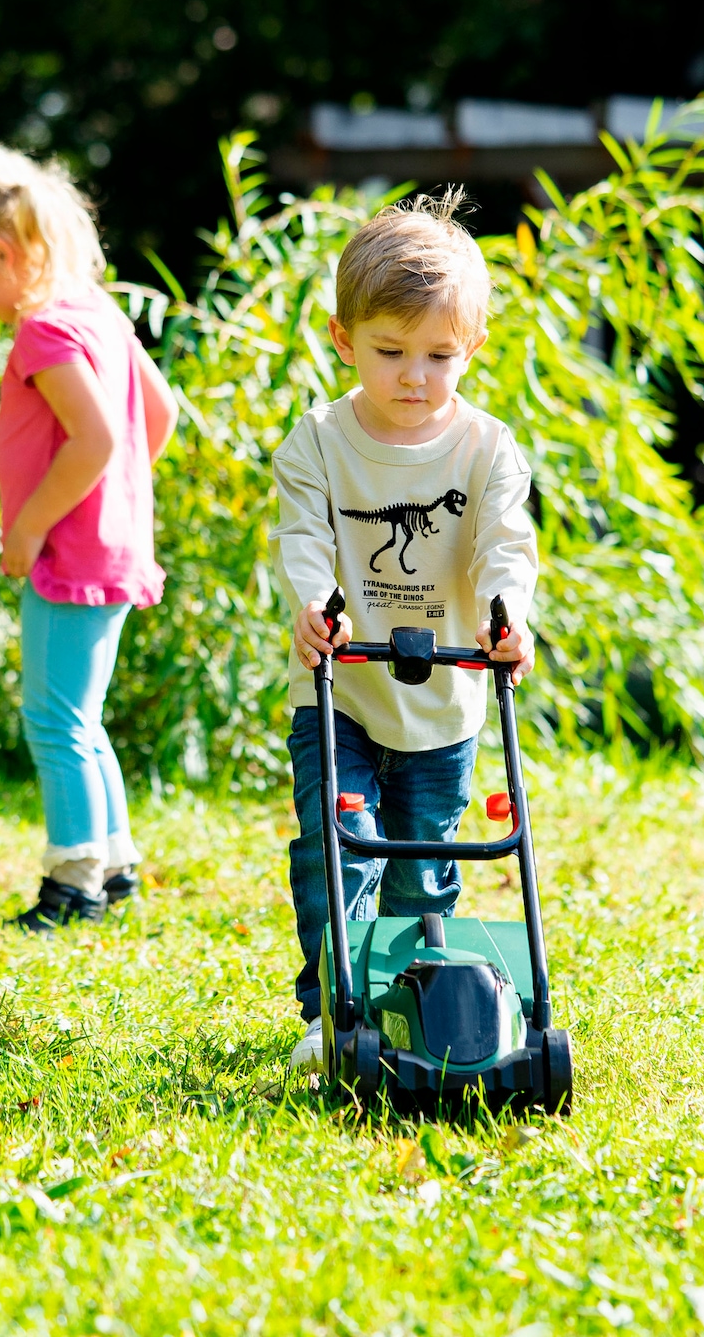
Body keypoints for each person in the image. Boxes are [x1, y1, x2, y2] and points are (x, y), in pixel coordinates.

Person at [269, 193, 538, 1070]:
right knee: (337, 856)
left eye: (439, 356)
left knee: (424, 871)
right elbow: (304, 535)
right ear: (344, 340)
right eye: (390, 352)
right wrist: (315, 601)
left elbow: (505, 545)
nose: (415, 376)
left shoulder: (487, 449)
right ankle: (334, 1012)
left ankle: (418, 1004)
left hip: (446, 703)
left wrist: (508, 616)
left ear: (474, 347)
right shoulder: (317, 441)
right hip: (341, 691)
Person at [0, 143, 175, 933]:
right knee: (81, 717)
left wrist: (30, 524)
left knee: (54, 723)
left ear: (0, 252)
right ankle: (115, 863)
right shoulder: (99, 312)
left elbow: (95, 440)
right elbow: (157, 415)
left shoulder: (44, 333)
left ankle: (73, 881)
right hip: (114, 545)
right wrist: (119, 497)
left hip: (69, 556)